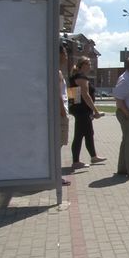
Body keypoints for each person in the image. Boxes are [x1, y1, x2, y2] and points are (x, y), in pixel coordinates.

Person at [69, 56, 106, 169]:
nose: (90, 66)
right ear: (83, 65)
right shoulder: (81, 77)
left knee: (89, 133)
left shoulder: (74, 77)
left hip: (79, 110)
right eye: (89, 64)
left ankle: (93, 156)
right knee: (79, 136)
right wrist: (95, 111)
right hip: (82, 111)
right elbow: (86, 95)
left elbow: (73, 96)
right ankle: (76, 162)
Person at [59, 44, 71, 186]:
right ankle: (57, 176)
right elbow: (58, 95)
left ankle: (56, 175)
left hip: (62, 112)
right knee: (59, 144)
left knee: (59, 144)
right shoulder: (58, 72)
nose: (67, 56)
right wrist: (63, 112)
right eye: (65, 53)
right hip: (60, 114)